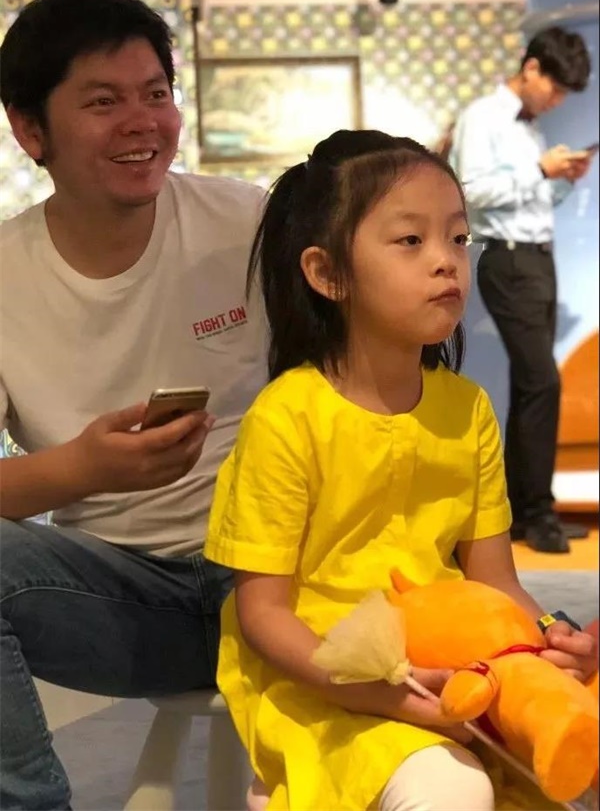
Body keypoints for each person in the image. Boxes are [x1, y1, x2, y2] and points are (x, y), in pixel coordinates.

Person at [203, 130, 598, 811]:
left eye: (458, 238)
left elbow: (496, 581)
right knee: (455, 787)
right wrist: (383, 693)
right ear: (327, 274)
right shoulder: (287, 416)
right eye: (411, 240)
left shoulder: (467, 408)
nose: (446, 261)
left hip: (459, 662)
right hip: (322, 678)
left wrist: (548, 641)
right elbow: (263, 614)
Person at [0, 0, 266, 810]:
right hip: (123, 602)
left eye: (156, 93)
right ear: (29, 129)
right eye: (103, 102)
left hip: (279, 574)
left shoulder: (251, 223)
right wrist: (84, 468)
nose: (142, 122)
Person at [449, 26, 593, 554]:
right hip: (507, 259)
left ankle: (522, 511)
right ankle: (537, 513)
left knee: (534, 385)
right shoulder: (483, 117)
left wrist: (560, 180)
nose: (556, 101)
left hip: (536, 257)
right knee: (542, 382)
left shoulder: (529, 129)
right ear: (531, 68)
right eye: (554, 88)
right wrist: (538, 169)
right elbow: (467, 192)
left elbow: (532, 203)